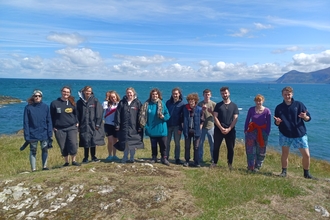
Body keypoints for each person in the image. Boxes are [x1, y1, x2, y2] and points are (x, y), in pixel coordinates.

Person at [274, 86, 314, 179]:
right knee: (285, 154)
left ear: (292, 94)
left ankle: (306, 174)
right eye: (285, 94)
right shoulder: (279, 107)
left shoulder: (299, 105)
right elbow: (276, 122)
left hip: (299, 133)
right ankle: (284, 172)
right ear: (282, 95)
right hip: (285, 133)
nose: (287, 96)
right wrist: (277, 122)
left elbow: (308, 118)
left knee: (306, 155)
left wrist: (304, 117)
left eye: (289, 94)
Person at [50, 86, 80, 166]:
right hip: (59, 129)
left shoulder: (72, 103)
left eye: (67, 92)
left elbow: (76, 114)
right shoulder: (55, 103)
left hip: (71, 127)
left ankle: (74, 161)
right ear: (61, 92)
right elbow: (51, 116)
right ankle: (66, 162)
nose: (66, 93)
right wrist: (53, 126)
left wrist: (77, 122)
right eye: (64, 91)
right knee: (63, 146)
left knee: (73, 144)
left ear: (70, 93)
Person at [23, 90, 52, 172]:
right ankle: (34, 169)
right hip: (33, 133)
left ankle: (45, 166)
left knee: (45, 149)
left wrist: (50, 133)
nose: (37, 97)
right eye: (36, 96)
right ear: (33, 97)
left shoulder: (45, 107)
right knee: (33, 150)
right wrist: (27, 135)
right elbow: (26, 122)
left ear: (41, 97)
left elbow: (49, 121)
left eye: (39, 96)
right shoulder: (28, 108)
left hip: (44, 132)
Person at [140, 88, 170, 166]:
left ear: (158, 95)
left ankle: (164, 158)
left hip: (161, 129)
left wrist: (163, 117)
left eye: (156, 94)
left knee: (163, 145)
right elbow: (143, 117)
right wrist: (145, 126)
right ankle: (154, 157)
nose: (155, 96)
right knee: (153, 145)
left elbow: (168, 115)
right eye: (153, 94)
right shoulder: (147, 104)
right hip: (152, 129)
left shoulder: (162, 104)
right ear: (151, 95)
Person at [212, 86, 239, 170]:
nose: (224, 95)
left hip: (230, 130)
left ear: (229, 93)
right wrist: (220, 128)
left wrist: (229, 128)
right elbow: (215, 117)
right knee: (216, 147)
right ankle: (215, 163)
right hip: (219, 130)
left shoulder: (234, 106)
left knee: (230, 148)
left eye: (225, 93)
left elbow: (235, 118)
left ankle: (230, 164)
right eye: (222, 93)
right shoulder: (218, 105)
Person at [114, 87, 144, 163]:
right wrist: (117, 124)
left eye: (130, 92)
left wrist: (140, 126)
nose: (129, 94)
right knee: (125, 142)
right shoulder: (122, 102)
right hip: (124, 126)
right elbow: (118, 114)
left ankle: (132, 158)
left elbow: (141, 115)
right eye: (127, 93)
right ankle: (125, 157)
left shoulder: (138, 103)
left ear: (134, 93)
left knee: (133, 142)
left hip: (134, 126)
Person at [77, 86, 105, 163]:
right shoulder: (79, 102)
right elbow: (77, 114)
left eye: (89, 91)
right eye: (86, 91)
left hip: (93, 125)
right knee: (85, 141)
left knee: (93, 141)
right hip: (84, 125)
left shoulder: (95, 101)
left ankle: (93, 156)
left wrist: (98, 124)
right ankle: (85, 157)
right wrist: (78, 124)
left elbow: (99, 112)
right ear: (83, 92)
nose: (88, 92)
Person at [244, 94, 271, 172]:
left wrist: (267, 132)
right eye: (257, 101)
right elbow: (247, 119)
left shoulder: (267, 111)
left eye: (260, 101)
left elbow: (269, 123)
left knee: (261, 149)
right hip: (251, 132)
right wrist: (245, 129)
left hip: (262, 132)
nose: (258, 102)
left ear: (263, 101)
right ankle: (250, 166)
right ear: (255, 101)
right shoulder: (251, 109)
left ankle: (258, 166)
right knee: (250, 149)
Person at [182, 93, 204, 167]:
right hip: (187, 130)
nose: (191, 101)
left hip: (196, 130)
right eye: (190, 100)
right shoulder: (185, 108)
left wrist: (200, 128)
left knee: (196, 147)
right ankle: (187, 161)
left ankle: (196, 161)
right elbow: (182, 118)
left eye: (193, 100)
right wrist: (183, 126)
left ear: (195, 101)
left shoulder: (199, 109)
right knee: (187, 146)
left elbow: (202, 120)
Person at [165, 87, 185, 164]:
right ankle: (166, 157)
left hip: (177, 126)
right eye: (173, 94)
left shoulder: (182, 104)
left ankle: (177, 158)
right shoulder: (168, 103)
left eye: (176, 94)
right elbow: (165, 113)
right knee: (167, 142)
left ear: (179, 94)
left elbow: (183, 117)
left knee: (177, 143)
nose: (175, 95)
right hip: (168, 125)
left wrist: (181, 128)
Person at [197, 89, 216, 163]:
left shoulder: (213, 104)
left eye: (208, 94)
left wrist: (211, 111)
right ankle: (200, 158)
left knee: (212, 143)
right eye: (205, 94)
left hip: (210, 126)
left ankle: (213, 158)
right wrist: (202, 109)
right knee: (200, 143)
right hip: (201, 126)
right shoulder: (200, 104)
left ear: (210, 95)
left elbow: (216, 115)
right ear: (203, 95)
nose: (207, 96)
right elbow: (197, 114)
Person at [104, 90, 120, 161]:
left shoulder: (119, 104)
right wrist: (107, 99)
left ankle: (114, 155)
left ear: (116, 97)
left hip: (116, 124)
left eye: (114, 97)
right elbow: (103, 107)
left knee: (115, 141)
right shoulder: (107, 104)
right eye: (111, 97)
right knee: (110, 141)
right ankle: (109, 155)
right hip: (108, 124)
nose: (113, 98)